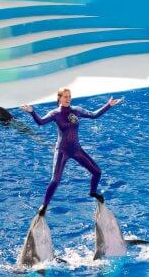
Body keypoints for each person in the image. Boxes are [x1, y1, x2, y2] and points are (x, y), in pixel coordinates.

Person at [21, 88, 124, 216]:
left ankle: (93, 192)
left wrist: (108, 105)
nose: (68, 98)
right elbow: (40, 122)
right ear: (59, 98)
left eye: (69, 96)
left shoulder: (77, 110)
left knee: (97, 172)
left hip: (76, 149)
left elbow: (94, 115)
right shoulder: (55, 113)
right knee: (55, 180)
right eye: (65, 96)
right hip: (62, 151)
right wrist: (32, 112)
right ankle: (45, 205)